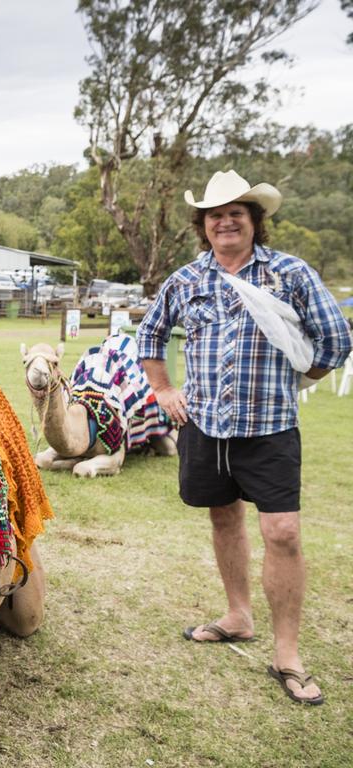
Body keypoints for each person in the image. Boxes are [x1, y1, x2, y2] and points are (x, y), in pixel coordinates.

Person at [137, 170, 351, 706]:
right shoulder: (186, 280)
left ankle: (287, 654)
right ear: (203, 226)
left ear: (255, 221)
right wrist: (163, 391)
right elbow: (149, 334)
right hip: (205, 426)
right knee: (223, 516)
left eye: (237, 212)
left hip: (271, 427)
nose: (226, 221)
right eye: (215, 215)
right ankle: (238, 616)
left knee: (282, 534)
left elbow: (335, 339)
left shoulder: (289, 274)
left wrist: (296, 381)